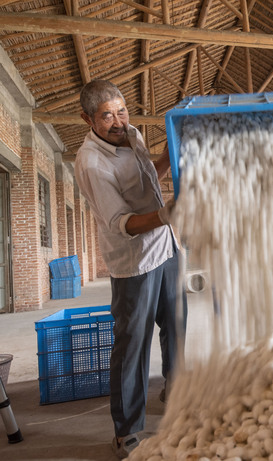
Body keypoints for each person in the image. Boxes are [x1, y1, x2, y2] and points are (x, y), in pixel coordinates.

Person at [74, 80, 187, 458]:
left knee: (177, 323)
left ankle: (176, 391)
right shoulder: (91, 163)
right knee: (133, 344)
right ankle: (126, 430)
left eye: (121, 111)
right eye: (106, 115)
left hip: (166, 247)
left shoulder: (131, 132)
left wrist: (170, 155)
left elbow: (147, 174)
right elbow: (122, 222)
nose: (117, 121)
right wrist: (167, 213)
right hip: (134, 262)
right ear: (87, 119)